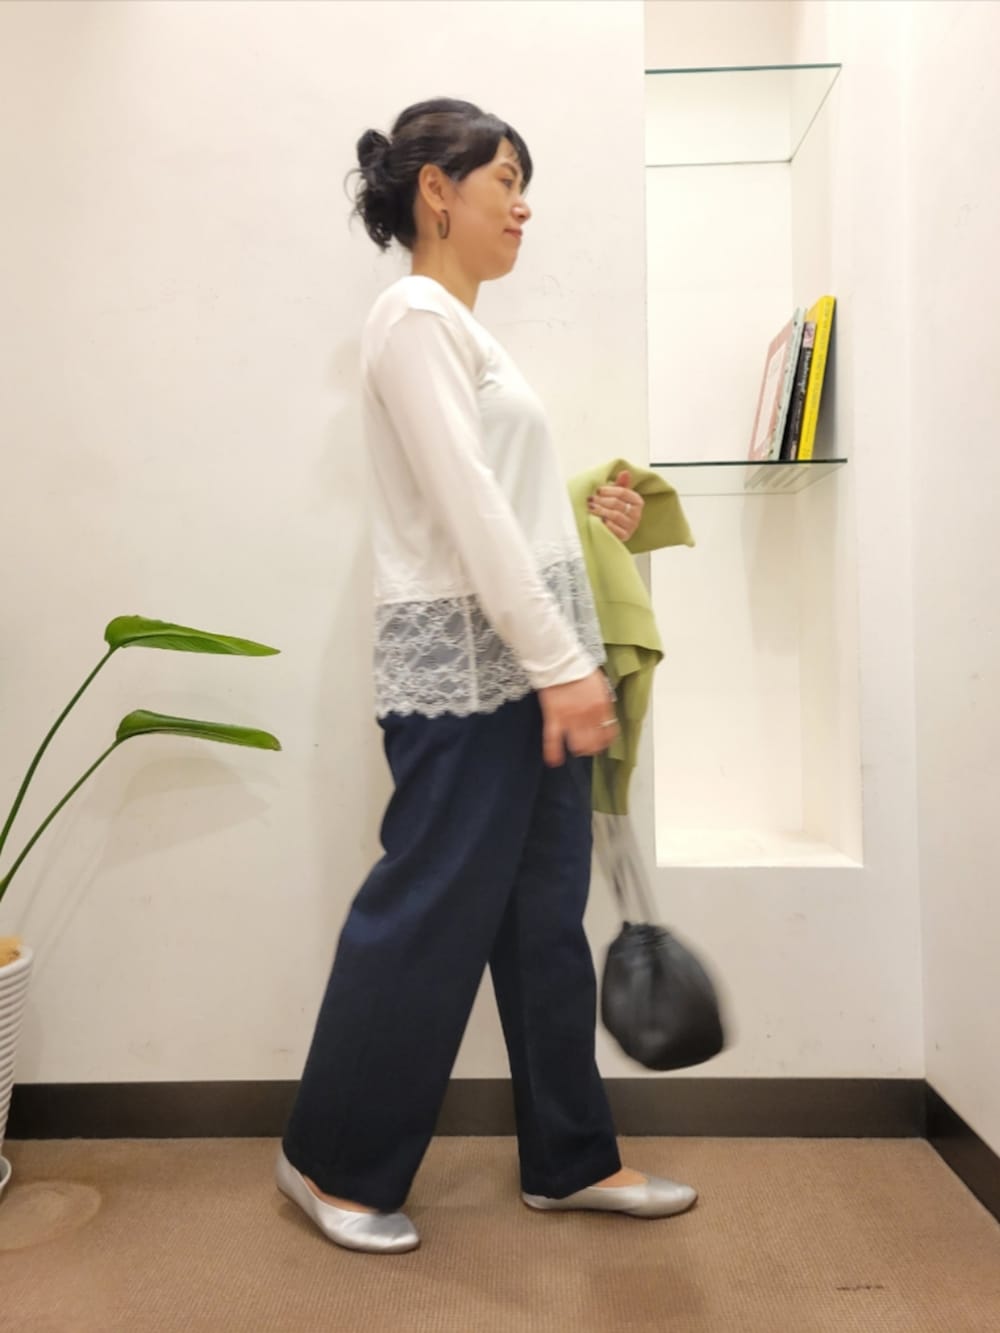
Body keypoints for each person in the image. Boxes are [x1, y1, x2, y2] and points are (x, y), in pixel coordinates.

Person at [277, 98, 697, 1254]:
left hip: (528, 674)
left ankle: (571, 1159)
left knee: (542, 925)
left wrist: (586, 512)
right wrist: (563, 663)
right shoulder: (414, 315)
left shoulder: (467, 332)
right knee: (425, 915)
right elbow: (462, 507)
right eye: (504, 179)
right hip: (472, 682)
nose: (522, 206)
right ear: (436, 190)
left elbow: (497, 498)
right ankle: (328, 1163)